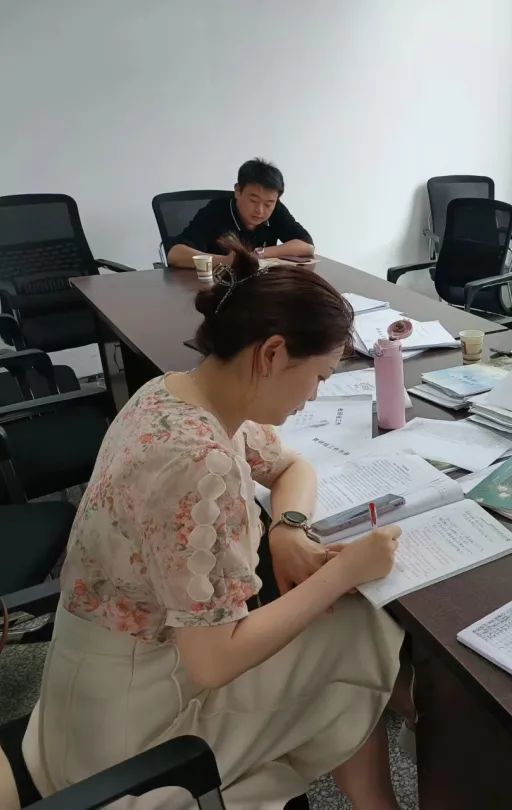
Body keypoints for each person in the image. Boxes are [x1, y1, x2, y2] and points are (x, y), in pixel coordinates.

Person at [23, 236, 408, 810]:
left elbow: (291, 466)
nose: (314, 396)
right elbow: (213, 662)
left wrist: (288, 528)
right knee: (356, 625)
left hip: (84, 696)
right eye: (320, 377)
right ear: (272, 354)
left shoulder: (173, 394)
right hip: (132, 742)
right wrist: (344, 571)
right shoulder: (200, 462)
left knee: (330, 630)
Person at [167, 158, 315, 269]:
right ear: (238, 191)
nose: (260, 210)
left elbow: (307, 246)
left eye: (268, 203)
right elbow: (175, 254)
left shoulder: (277, 210)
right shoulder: (215, 210)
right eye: (253, 200)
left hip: (259, 286)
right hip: (217, 287)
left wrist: (259, 253)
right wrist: (227, 261)